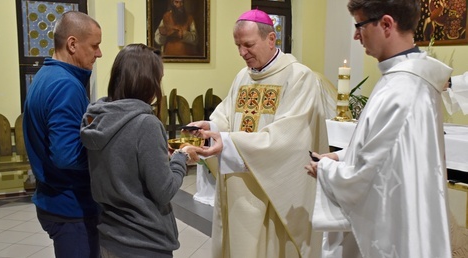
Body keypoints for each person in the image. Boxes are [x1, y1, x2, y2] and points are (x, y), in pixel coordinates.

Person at [305, 0, 452, 257]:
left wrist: (326, 170)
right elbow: (389, 153)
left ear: (386, 24)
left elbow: (370, 178)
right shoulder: (407, 79)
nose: (355, 35)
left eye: (359, 25)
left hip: (393, 230)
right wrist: (340, 156)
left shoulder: (401, 89)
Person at [188, 9, 330, 258]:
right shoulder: (243, 76)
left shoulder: (299, 77)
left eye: (248, 45)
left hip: (275, 189)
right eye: (238, 45)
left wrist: (230, 141)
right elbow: (227, 115)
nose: (242, 53)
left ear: (271, 39)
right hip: (239, 186)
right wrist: (212, 128)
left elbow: (290, 137)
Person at [79, 43, 202, 258]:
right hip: (144, 242)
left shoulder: (96, 117)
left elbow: (124, 167)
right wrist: (181, 158)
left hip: (110, 235)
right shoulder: (145, 124)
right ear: (147, 82)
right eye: (158, 79)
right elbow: (164, 191)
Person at [22, 11, 102, 258]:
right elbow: (66, 155)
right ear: (72, 44)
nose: (99, 53)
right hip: (70, 207)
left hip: (55, 198)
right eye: (95, 46)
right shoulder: (65, 85)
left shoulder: (46, 75)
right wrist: (107, 158)